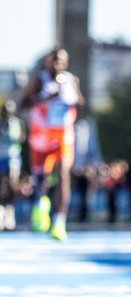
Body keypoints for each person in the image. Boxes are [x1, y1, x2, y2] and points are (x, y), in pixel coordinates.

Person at [19, 47, 84, 240]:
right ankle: (41, 205)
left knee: (63, 173)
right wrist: (47, 98)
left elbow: (80, 102)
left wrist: (73, 100)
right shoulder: (40, 80)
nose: (56, 64)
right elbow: (22, 104)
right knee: (41, 179)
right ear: (47, 62)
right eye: (53, 60)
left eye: (60, 60)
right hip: (42, 135)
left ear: (66, 62)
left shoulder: (72, 80)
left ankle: (59, 221)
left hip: (64, 134)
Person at [0, 99, 24, 231]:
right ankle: (1, 211)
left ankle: (9, 211)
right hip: (1, 155)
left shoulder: (18, 123)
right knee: (1, 183)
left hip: (13, 156)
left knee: (12, 184)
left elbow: (21, 138)